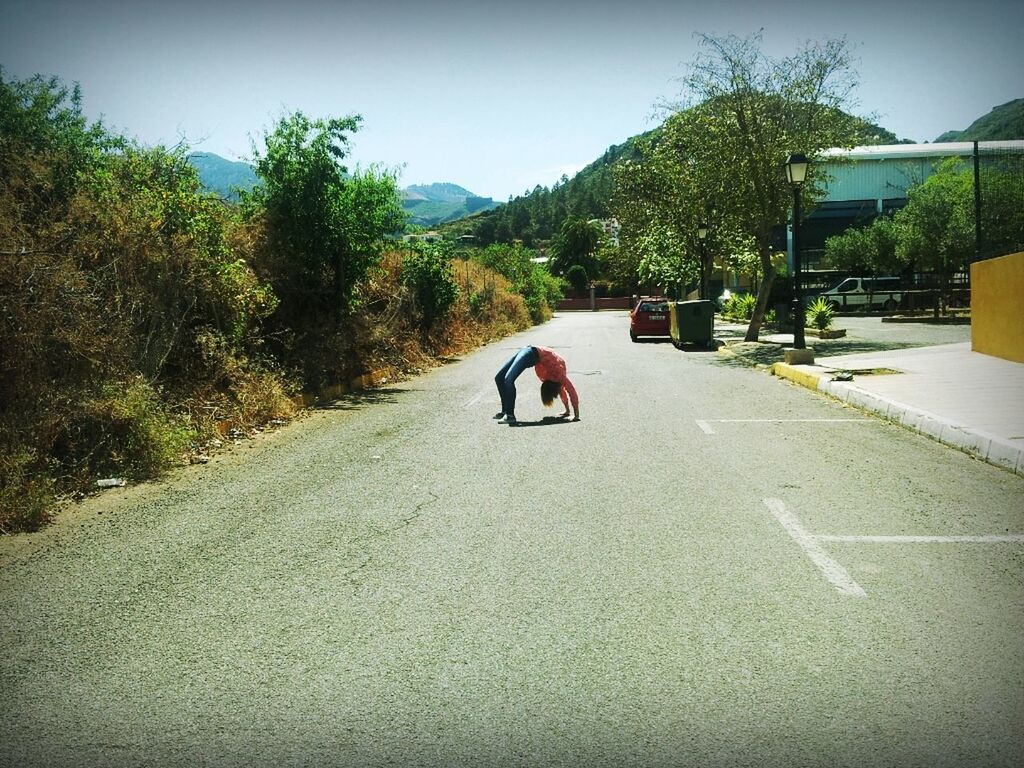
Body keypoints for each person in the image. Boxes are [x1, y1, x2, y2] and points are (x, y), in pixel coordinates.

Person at [493, 345, 580, 425]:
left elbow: (561, 390)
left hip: (530, 352)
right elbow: (571, 391)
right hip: (530, 352)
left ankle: (509, 415)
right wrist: (576, 415)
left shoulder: (556, 381)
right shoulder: (559, 376)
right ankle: (506, 412)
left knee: (508, 380)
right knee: (500, 378)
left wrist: (567, 410)